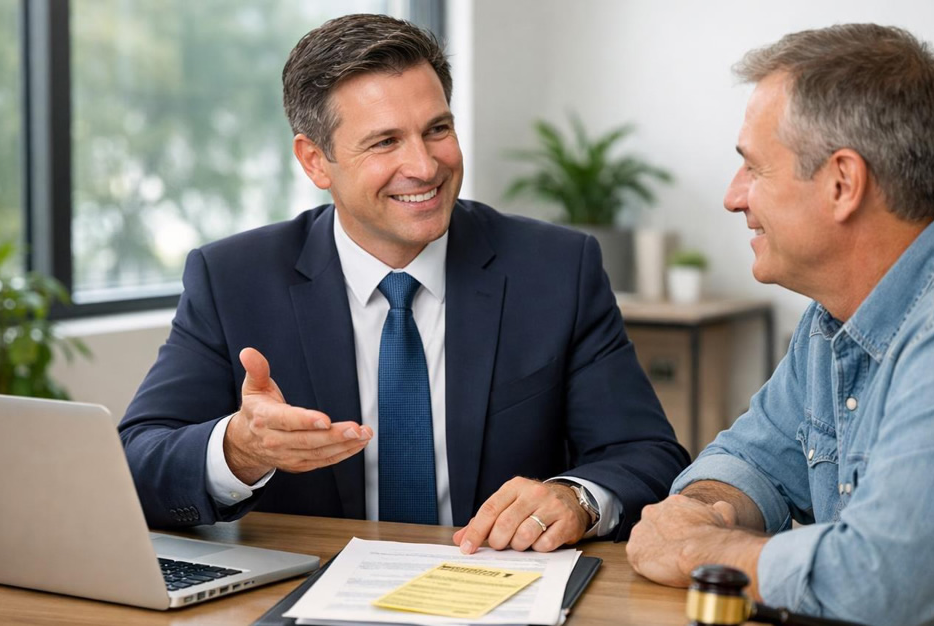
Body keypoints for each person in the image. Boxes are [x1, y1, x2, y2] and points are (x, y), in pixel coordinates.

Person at [119, 13, 688, 554]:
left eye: (437, 129)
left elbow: (648, 455)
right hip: (307, 595)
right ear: (316, 161)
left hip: (493, 591)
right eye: (385, 142)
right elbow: (133, 462)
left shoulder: (558, 268)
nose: (424, 165)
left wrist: (577, 498)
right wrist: (238, 451)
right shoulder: (234, 279)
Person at [625, 23, 934, 625]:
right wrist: (702, 509)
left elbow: (883, 582)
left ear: (843, 183)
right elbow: (751, 459)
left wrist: (711, 551)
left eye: (754, 170)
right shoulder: (834, 319)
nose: (735, 198)